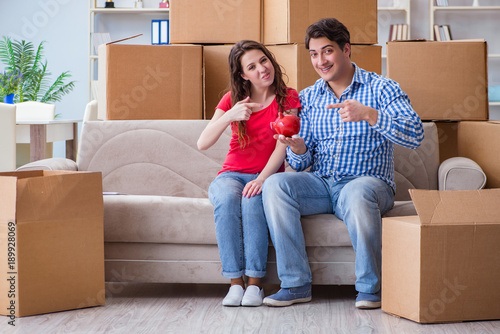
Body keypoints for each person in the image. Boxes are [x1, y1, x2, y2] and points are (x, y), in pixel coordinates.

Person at [261, 18, 424, 308]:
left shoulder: (381, 88)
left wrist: (370, 115)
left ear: (346, 49)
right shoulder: (310, 96)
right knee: (275, 185)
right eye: (313, 54)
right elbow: (302, 163)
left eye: (327, 51)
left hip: (368, 183)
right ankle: (296, 284)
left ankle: (370, 289)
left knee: (356, 192)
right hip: (322, 183)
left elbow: (415, 134)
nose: (320, 61)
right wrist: (298, 149)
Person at [197, 40, 300, 307]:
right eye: (252, 67)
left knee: (253, 200)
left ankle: (255, 284)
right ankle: (234, 283)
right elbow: (203, 142)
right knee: (228, 198)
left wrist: (262, 179)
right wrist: (230, 115)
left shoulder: (288, 97)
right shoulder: (232, 99)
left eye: (263, 60)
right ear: (243, 74)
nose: (261, 69)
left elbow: (282, 146)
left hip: (265, 175)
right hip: (231, 173)